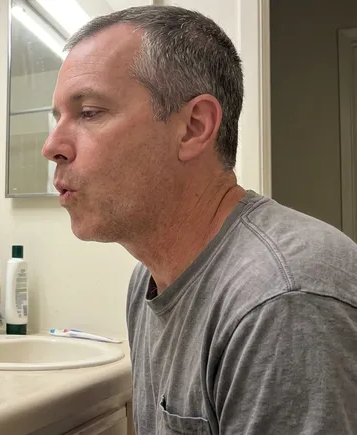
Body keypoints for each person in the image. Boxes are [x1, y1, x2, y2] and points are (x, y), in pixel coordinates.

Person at [42, 5, 357, 434]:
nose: (53, 146)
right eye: (56, 118)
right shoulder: (148, 280)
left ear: (193, 127)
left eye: (90, 112)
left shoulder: (282, 297)